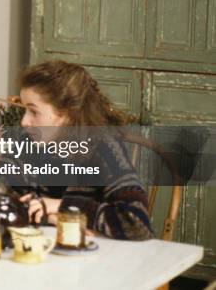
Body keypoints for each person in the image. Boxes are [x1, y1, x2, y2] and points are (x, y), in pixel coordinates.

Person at [16, 60, 153, 240]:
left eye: (34, 112)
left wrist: (64, 207)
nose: (24, 122)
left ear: (67, 114)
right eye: (24, 110)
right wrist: (51, 218)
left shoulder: (104, 148)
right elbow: (6, 200)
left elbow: (136, 223)